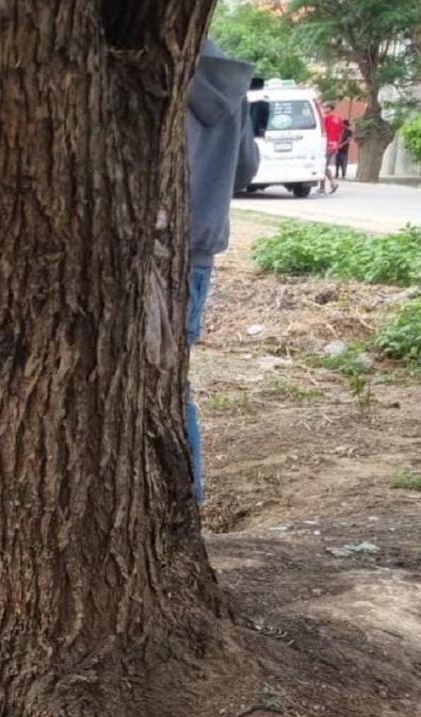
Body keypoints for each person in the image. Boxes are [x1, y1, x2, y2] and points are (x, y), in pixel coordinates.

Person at [186, 40, 259, 505]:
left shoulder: (135, 62)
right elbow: (247, 168)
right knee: (167, 382)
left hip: (139, 254)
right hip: (198, 253)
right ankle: (185, 503)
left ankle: (183, 502)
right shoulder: (231, 82)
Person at [320, 102, 343, 195]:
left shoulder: (326, 118)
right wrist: (338, 145)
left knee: (322, 166)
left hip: (326, 144)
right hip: (334, 145)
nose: (323, 109)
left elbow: (323, 132)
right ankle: (322, 188)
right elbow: (340, 133)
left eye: (325, 107)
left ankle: (332, 182)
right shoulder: (338, 119)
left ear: (330, 108)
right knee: (323, 165)